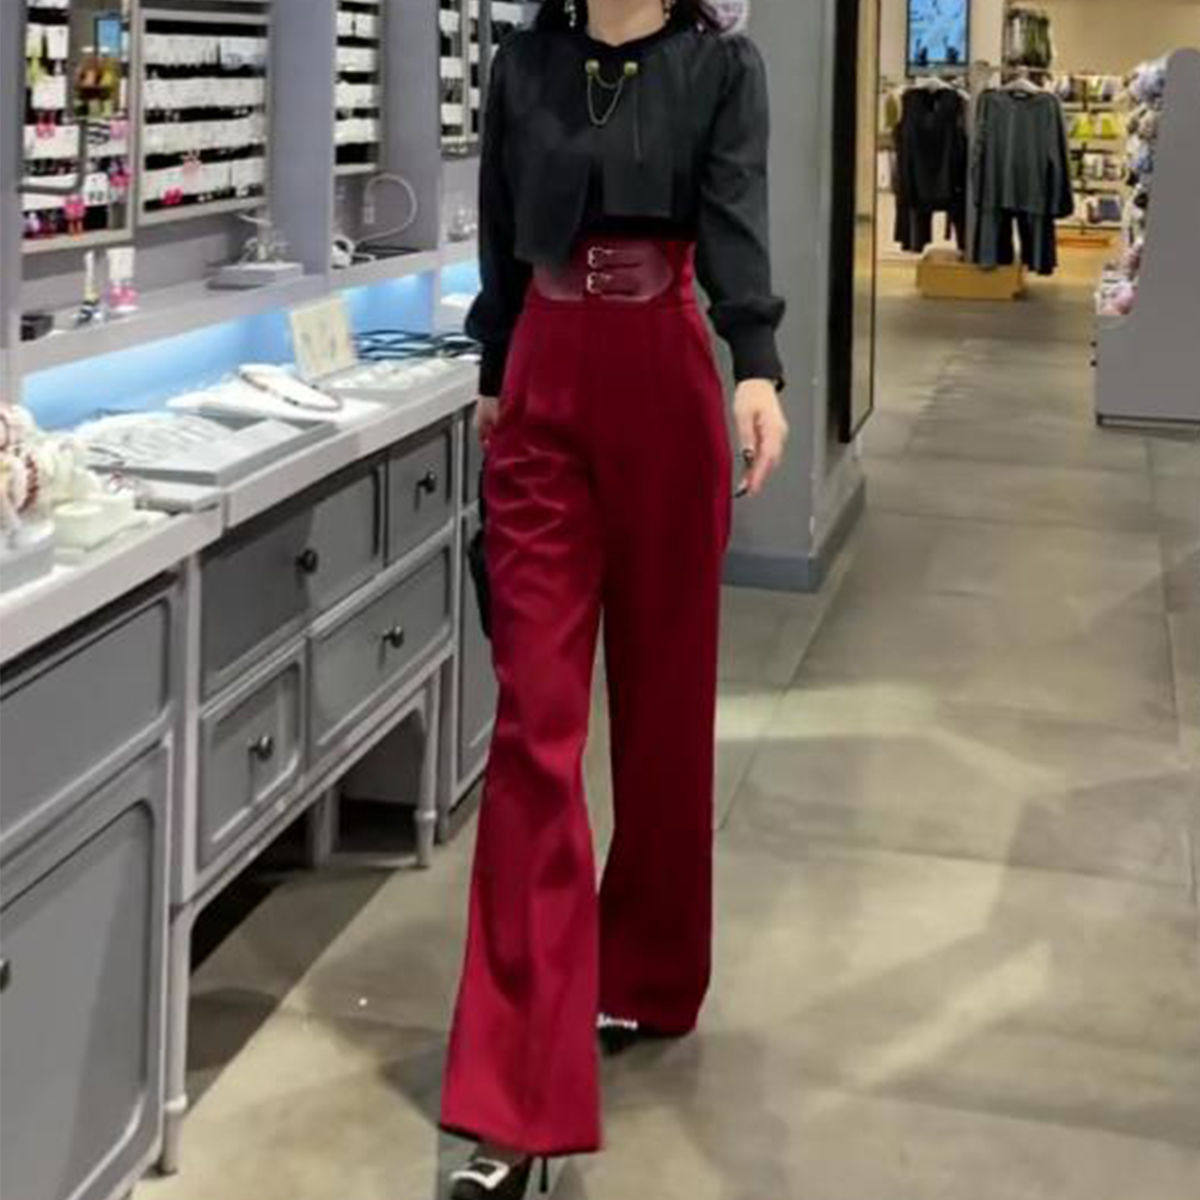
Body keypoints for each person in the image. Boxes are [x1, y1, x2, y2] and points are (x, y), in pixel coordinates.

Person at [441, 1, 788, 1195]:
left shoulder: (720, 65)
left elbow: (735, 215)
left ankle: (647, 971)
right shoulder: (523, 63)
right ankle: (516, 1094)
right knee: (534, 728)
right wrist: (495, 371)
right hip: (543, 385)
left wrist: (758, 367)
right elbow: (500, 225)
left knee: (665, 714)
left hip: (666, 381)